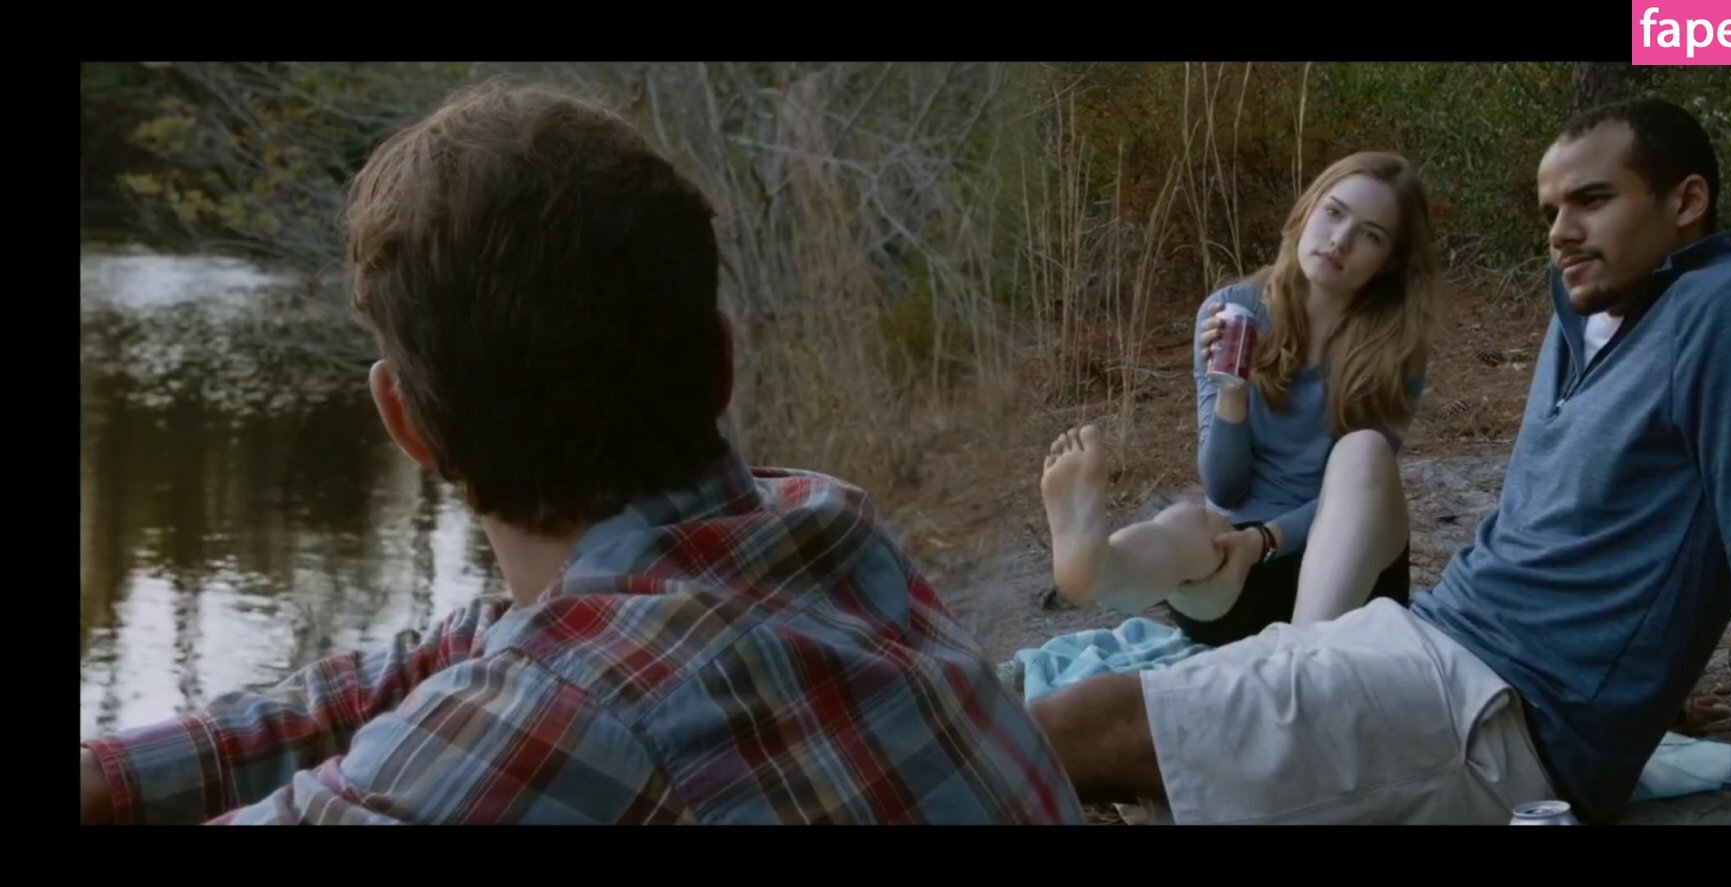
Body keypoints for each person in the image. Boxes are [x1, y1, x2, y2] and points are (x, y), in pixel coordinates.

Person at [78, 79, 1082, 826]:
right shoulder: (826, 527)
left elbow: (523, 689)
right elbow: (445, 658)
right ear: (722, 364)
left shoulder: (567, 712)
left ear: (407, 423)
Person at [1028, 98, 1731, 825]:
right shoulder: (1585, 319)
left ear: (1687, 200)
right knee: (1090, 727)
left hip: (1504, 716)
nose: (1561, 233)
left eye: (1592, 201)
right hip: (1426, 637)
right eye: (1550, 210)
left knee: (1083, 729)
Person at [1039, 151, 1435, 646]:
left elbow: (1366, 491)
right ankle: (1100, 567)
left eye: (1370, 235)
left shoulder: (1394, 348)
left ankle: (1295, 660)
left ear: (1389, 262)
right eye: (1334, 212)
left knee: (1365, 452)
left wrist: (1265, 539)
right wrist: (1232, 387)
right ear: (1307, 210)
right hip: (1232, 572)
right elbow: (1226, 488)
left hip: (1348, 579)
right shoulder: (1233, 311)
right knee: (1188, 524)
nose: (1340, 240)